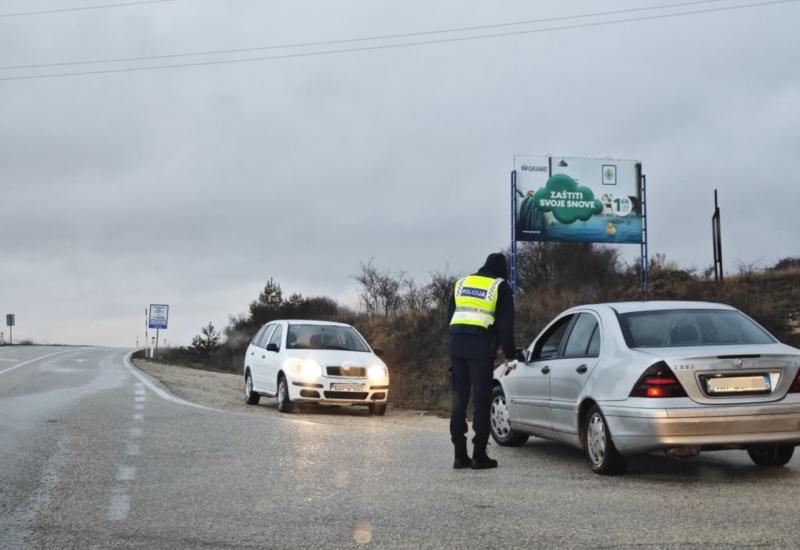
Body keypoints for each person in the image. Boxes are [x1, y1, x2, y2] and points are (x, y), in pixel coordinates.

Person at [447, 252, 523, 470]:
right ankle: (479, 455)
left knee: (459, 400)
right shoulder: (500, 287)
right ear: (502, 269)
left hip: (456, 347)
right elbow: (506, 326)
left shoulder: (461, 283)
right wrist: (510, 355)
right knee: (481, 401)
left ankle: (460, 455)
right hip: (480, 350)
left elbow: (450, 318)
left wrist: (454, 345)